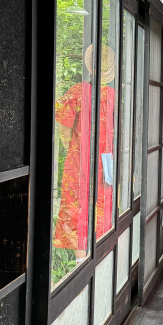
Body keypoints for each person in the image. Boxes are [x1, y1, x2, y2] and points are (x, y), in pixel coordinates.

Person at [53, 44, 117, 261]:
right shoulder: (112, 95)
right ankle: (101, 260)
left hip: (79, 159)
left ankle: (81, 263)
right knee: (101, 206)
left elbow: (63, 125)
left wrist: (68, 145)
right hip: (104, 161)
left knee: (76, 205)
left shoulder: (77, 92)